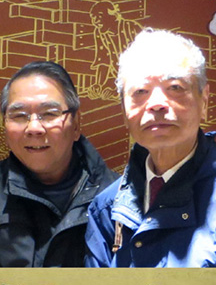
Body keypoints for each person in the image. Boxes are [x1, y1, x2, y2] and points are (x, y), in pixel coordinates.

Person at [0, 60, 118, 267]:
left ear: (76, 124)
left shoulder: (117, 196)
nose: (34, 128)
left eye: (49, 114)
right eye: (19, 116)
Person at [85, 28, 216, 268]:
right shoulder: (107, 208)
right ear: (124, 110)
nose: (156, 104)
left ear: (204, 100)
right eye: (140, 92)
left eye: (175, 87)